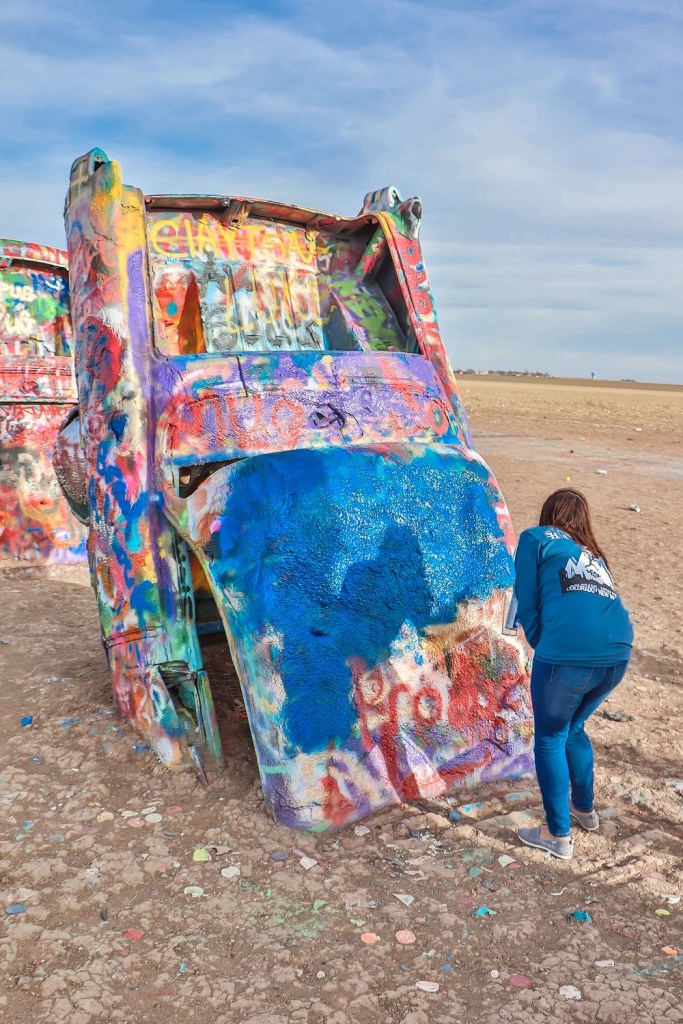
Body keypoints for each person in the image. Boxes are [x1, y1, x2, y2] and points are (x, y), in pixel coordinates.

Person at [513, 488, 634, 860]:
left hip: (568, 654)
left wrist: (544, 646)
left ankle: (557, 835)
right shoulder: (595, 555)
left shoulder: (535, 538)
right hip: (618, 652)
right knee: (574, 728)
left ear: (548, 514)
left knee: (550, 737)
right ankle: (584, 809)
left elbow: (525, 602)